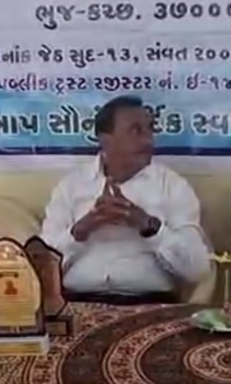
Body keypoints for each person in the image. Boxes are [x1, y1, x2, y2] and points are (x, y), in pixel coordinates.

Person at [40, 95, 211, 305]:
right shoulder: (71, 186)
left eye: (150, 130)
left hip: (149, 304)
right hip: (78, 303)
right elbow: (41, 264)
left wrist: (149, 226)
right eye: (136, 131)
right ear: (105, 139)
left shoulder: (173, 187)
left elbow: (197, 269)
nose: (148, 140)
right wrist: (81, 230)